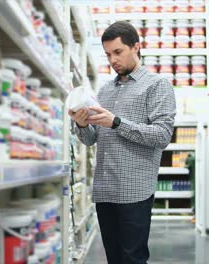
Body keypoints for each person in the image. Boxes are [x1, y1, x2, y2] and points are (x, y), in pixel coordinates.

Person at [68, 21, 176, 264]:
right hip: (105, 190)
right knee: (114, 259)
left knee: (132, 258)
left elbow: (162, 136)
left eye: (118, 52)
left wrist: (116, 122)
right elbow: (91, 139)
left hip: (134, 190)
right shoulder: (105, 90)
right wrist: (82, 124)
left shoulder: (157, 86)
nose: (112, 60)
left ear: (136, 47)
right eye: (108, 54)